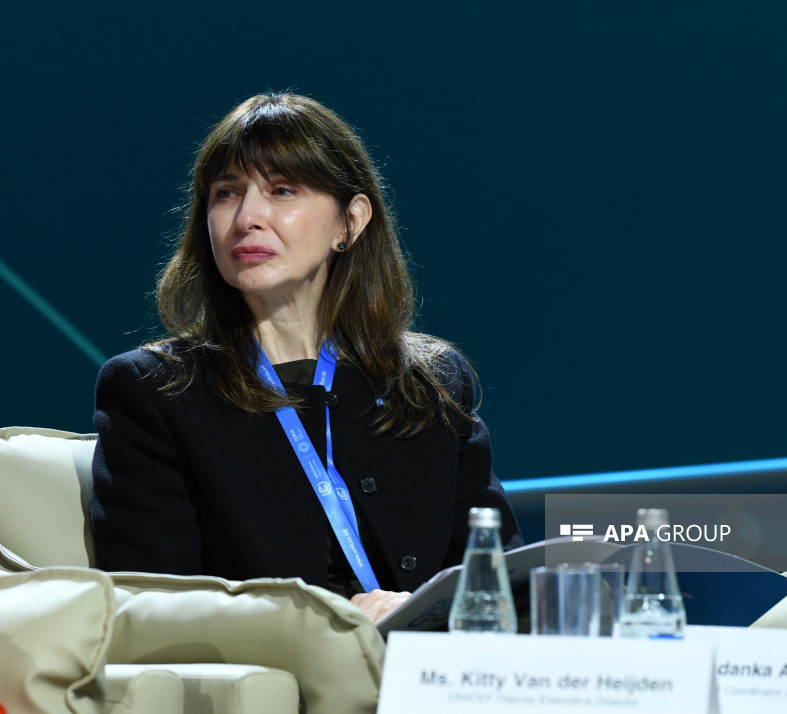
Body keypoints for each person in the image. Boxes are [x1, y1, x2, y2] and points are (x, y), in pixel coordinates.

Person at [89, 92, 520, 625]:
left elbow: (498, 578)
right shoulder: (157, 390)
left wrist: (421, 614)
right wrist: (336, 620)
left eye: (282, 190)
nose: (247, 217)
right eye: (226, 194)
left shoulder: (429, 381)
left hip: (433, 669)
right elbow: (152, 602)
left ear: (350, 222)